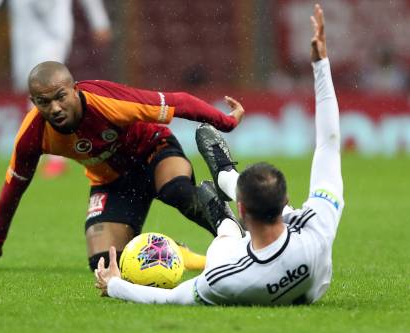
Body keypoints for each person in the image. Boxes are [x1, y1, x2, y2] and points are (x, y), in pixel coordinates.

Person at [95, 4, 345, 306]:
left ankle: (221, 212)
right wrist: (321, 64)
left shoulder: (227, 277)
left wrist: (114, 285)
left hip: (248, 256)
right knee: (268, 213)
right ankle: (227, 175)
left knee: (225, 239)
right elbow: (329, 144)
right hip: (309, 281)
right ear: (285, 203)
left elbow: (173, 297)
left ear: (241, 210)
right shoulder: (317, 227)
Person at [0, 61, 245, 271]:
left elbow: (179, 102)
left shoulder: (107, 99)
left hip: (153, 151)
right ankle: (183, 257)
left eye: (61, 96)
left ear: (74, 90)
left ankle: (239, 240)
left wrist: (227, 122)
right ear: (33, 102)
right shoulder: (32, 134)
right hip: (111, 182)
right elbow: (15, 186)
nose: (55, 108)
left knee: (178, 192)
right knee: (103, 263)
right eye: (44, 102)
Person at [0, 0, 113, 178]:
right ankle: (40, 149)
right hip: (24, 35)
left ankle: (55, 158)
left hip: (54, 34)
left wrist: (99, 22)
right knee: (31, 91)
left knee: (46, 87)